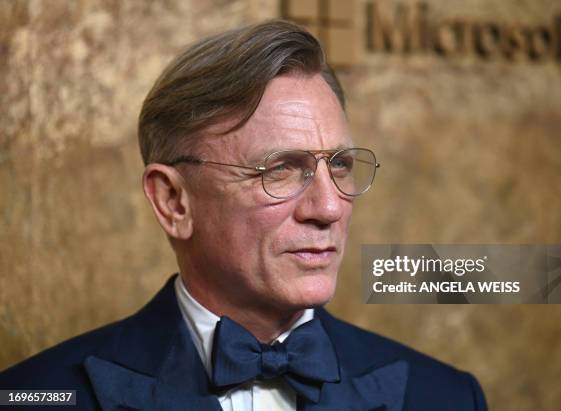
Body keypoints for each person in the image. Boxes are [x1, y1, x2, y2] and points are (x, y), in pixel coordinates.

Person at [0, 20, 487, 410]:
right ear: (173, 201)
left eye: (339, 164)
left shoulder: (443, 397)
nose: (330, 207)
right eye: (280, 170)